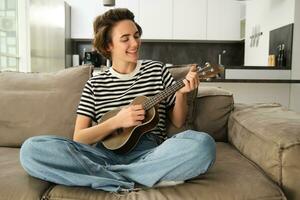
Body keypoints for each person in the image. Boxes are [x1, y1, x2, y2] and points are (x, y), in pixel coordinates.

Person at [20, 8, 216, 192]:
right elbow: (80, 137)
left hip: (150, 154)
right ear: (108, 45)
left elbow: (178, 121)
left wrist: (181, 93)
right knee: (31, 150)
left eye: (136, 36)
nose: (135, 43)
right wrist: (117, 121)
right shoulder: (94, 84)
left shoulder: (157, 70)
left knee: (203, 145)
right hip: (102, 155)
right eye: (125, 39)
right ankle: (143, 178)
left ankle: (109, 179)